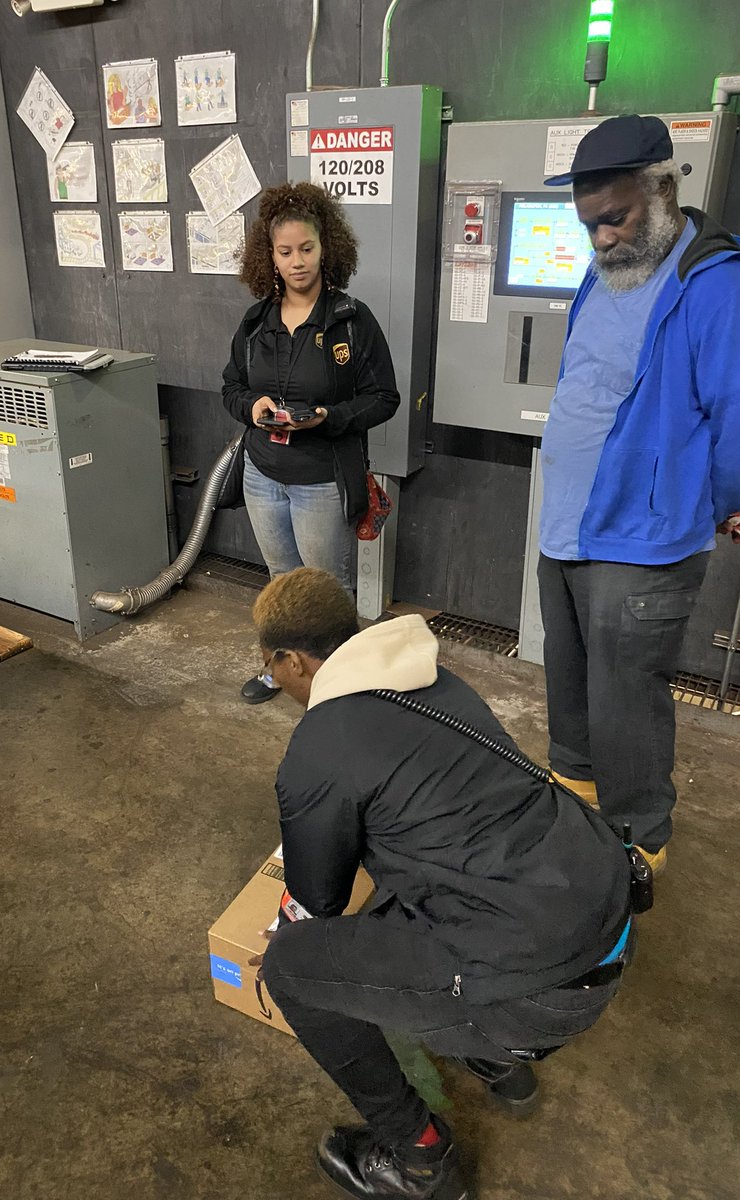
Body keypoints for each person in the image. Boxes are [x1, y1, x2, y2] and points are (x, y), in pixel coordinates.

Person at [253, 567, 632, 1200]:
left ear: (292, 660)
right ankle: (494, 1062)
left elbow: (317, 899)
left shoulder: (318, 749)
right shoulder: (433, 681)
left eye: (271, 671)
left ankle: (419, 1155)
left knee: (292, 968)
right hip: (605, 922)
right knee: (408, 884)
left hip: (543, 992)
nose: (276, 682)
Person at [540, 114, 740, 874]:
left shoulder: (714, 283)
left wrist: (726, 500)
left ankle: (636, 850)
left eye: (614, 219)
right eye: (589, 225)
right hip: (566, 527)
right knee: (571, 691)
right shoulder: (606, 272)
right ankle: (574, 818)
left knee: (627, 706)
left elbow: (738, 410)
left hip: (642, 538)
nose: (600, 240)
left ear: (662, 188)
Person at [222, 182, 399, 704]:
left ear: (327, 249)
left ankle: (339, 688)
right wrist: (252, 407)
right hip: (262, 474)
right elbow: (231, 386)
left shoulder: (351, 321)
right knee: (280, 584)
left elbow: (384, 397)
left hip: (322, 478)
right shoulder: (255, 323)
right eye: (285, 252)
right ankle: (281, 672)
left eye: (306, 249)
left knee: (327, 590)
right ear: (269, 258)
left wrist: (329, 417)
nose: (297, 262)